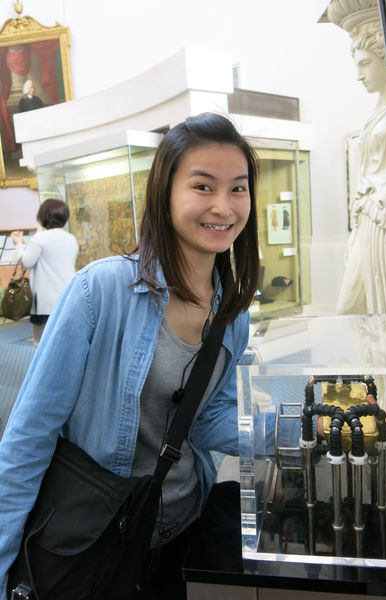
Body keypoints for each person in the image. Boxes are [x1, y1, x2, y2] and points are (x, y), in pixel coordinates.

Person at [0, 113, 260, 600]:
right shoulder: (101, 292)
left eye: (238, 188)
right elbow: (29, 433)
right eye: (203, 186)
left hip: (179, 529)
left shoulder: (232, 311)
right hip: (95, 536)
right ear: (165, 191)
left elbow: (206, 419)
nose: (223, 207)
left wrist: (283, 431)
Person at [336, 27, 386, 314]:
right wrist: (355, 231)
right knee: (350, 308)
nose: (359, 74)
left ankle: (383, 357)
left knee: (382, 307)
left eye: (364, 63)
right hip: (368, 217)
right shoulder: (378, 110)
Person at [11, 198, 79, 346]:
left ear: (43, 217)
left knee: (41, 344)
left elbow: (27, 262)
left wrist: (19, 244)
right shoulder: (71, 239)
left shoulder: (40, 238)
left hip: (45, 303)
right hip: (67, 298)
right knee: (64, 342)